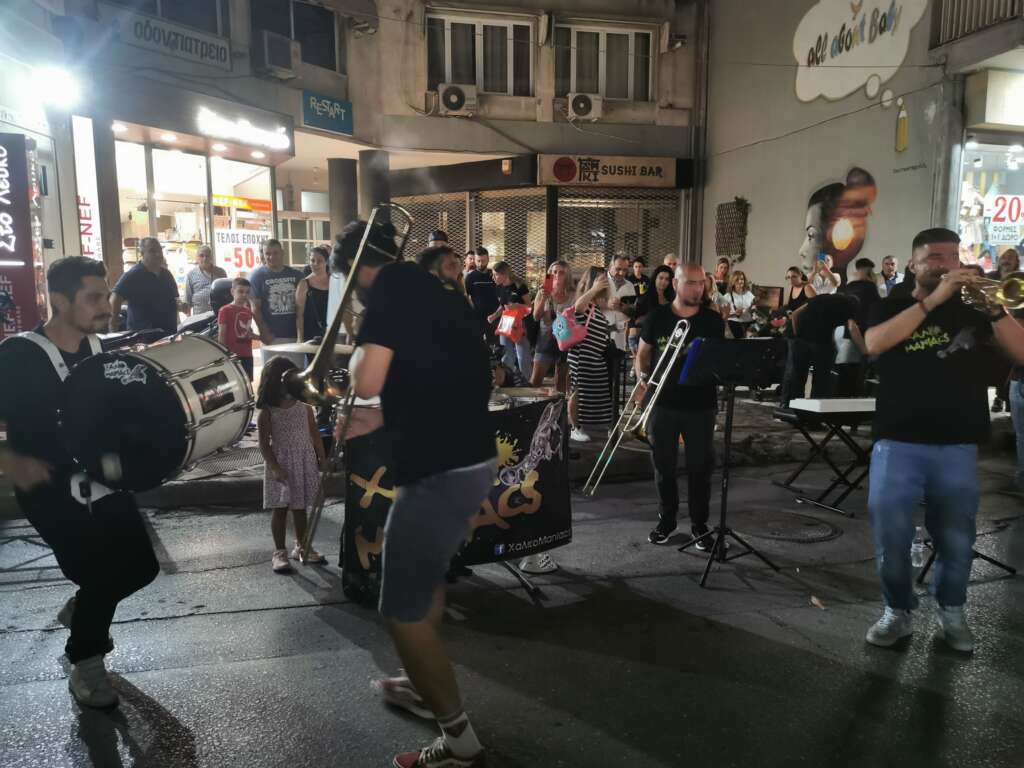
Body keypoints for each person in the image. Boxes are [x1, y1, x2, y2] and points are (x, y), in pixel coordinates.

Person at [342, 219, 496, 768]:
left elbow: (366, 380)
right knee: (423, 580)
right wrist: (384, 419)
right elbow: (443, 380)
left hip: (438, 471)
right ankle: (421, 680)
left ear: (358, 269)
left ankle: (458, 742)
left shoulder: (388, 288)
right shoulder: (438, 291)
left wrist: (357, 353)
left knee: (401, 612)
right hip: (470, 458)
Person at [0, 256, 160, 708]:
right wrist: (11, 460)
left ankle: (84, 609)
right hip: (48, 488)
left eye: (106, 295)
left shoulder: (96, 348)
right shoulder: (18, 357)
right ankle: (85, 662)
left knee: (141, 567)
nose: (106, 306)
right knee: (101, 573)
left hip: (99, 479)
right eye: (93, 298)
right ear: (59, 300)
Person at [863, 227, 1024, 653]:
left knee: (957, 539)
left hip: (957, 442)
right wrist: (933, 300)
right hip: (897, 439)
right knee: (890, 534)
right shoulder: (891, 304)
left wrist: (995, 310)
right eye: (934, 257)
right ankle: (897, 611)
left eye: (953, 256)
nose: (946, 264)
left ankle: (951, 610)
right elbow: (874, 342)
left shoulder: (974, 310)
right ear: (913, 264)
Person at [638, 264, 725, 548]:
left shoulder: (712, 320)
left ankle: (700, 524)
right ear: (675, 284)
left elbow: (720, 359)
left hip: (701, 405)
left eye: (701, 283)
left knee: (700, 468)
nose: (697, 289)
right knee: (663, 466)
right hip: (663, 402)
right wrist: (641, 377)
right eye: (690, 283)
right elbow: (642, 354)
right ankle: (667, 520)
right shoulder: (657, 317)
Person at [257, 355, 327, 573]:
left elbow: (315, 436)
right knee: (280, 510)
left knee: (300, 508)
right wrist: (275, 467)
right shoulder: (267, 412)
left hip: (303, 462)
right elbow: (264, 445)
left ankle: (302, 547)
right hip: (281, 465)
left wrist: (323, 459)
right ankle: (279, 552)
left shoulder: (305, 408)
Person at [781, 293, 859, 406]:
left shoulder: (822, 298)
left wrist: (797, 334)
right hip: (819, 342)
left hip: (801, 338)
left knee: (797, 374)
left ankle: (790, 405)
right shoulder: (849, 307)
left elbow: (795, 314)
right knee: (821, 377)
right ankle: (816, 407)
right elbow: (852, 328)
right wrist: (865, 350)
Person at [568, 266, 614, 442]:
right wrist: (594, 289)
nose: (604, 282)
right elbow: (577, 308)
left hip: (593, 357)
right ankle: (574, 427)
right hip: (582, 356)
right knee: (577, 391)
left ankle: (587, 425)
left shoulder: (595, 304)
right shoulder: (585, 301)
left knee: (590, 392)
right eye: (600, 279)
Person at [109, 237, 179, 335]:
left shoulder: (166, 274)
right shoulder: (133, 275)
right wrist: (113, 326)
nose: (158, 254)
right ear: (142, 253)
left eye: (159, 250)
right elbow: (115, 298)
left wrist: (181, 305)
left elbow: (174, 299)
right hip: (143, 337)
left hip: (168, 334)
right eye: (152, 251)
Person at [250, 238, 304, 365]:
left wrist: (301, 335)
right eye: (267, 253)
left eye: (275, 253)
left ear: (282, 253)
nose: (271, 257)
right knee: (272, 373)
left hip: (294, 336)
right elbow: (255, 308)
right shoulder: (257, 276)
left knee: (295, 372)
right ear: (263, 255)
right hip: (272, 337)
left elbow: (302, 308)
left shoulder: (297, 275)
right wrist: (264, 332)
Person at [530, 260, 573, 391]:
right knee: (535, 380)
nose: (557, 275)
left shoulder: (573, 294)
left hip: (565, 339)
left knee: (561, 382)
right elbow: (536, 317)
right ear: (549, 274)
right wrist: (544, 298)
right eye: (554, 272)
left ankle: (558, 403)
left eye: (561, 273)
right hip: (545, 339)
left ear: (567, 276)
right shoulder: (543, 291)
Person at [490, 261, 533, 380]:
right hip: (505, 322)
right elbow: (502, 306)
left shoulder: (519, 286)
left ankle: (525, 381)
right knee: (506, 353)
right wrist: (494, 315)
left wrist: (518, 306)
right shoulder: (499, 287)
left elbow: (529, 307)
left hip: (519, 324)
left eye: (495, 274)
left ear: (504, 274)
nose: (493, 277)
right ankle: (507, 380)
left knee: (522, 355)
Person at [218, 278, 260, 381]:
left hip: (247, 354)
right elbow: (222, 334)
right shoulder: (225, 310)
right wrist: (223, 356)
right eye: (240, 291)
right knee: (233, 383)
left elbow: (247, 333)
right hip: (232, 355)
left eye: (247, 292)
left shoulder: (248, 311)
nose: (244, 295)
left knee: (247, 382)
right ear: (232, 291)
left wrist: (262, 338)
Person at [295, 246, 330, 342]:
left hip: (331, 332)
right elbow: (299, 314)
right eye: (312, 260)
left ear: (326, 262)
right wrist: (300, 338)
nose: (315, 264)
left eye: (319, 261)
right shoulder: (304, 284)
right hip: (310, 334)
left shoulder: (333, 282)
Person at [604, 254, 637, 352]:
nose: (622, 273)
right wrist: (606, 304)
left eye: (625, 270)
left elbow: (634, 312)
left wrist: (623, 307)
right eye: (618, 269)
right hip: (601, 334)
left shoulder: (630, 286)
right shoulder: (600, 281)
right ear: (610, 266)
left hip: (620, 336)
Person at [464, 247, 500, 338]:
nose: (480, 264)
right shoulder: (470, 277)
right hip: (478, 317)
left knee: (496, 342)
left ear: (488, 259)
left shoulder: (494, 275)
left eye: (483, 261)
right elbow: (465, 296)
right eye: (478, 261)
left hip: (495, 315)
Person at [183, 244, 227, 315]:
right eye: (201, 256)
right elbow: (188, 301)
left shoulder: (221, 272)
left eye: (207, 256)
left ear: (211, 257)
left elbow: (226, 295)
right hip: (199, 317)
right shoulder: (191, 275)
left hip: (218, 315)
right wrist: (189, 319)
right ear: (197, 258)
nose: (205, 258)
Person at [841, 257, 882, 332]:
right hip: (864, 325)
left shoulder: (849, 286)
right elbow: (877, 304)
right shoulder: (869, 286)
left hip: (849, 325)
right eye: (870, 271)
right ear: (865, 270)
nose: (872, 273)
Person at [722, 270, 756, 339]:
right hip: (735, 324)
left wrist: (753, 310)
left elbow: (753, 309)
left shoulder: (749, 294)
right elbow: (723, 316)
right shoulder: (727, 296)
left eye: (742, 279)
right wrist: (735, 313)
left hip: (749, 324)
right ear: (732, 281)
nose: (740, 281)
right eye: (737, 279)